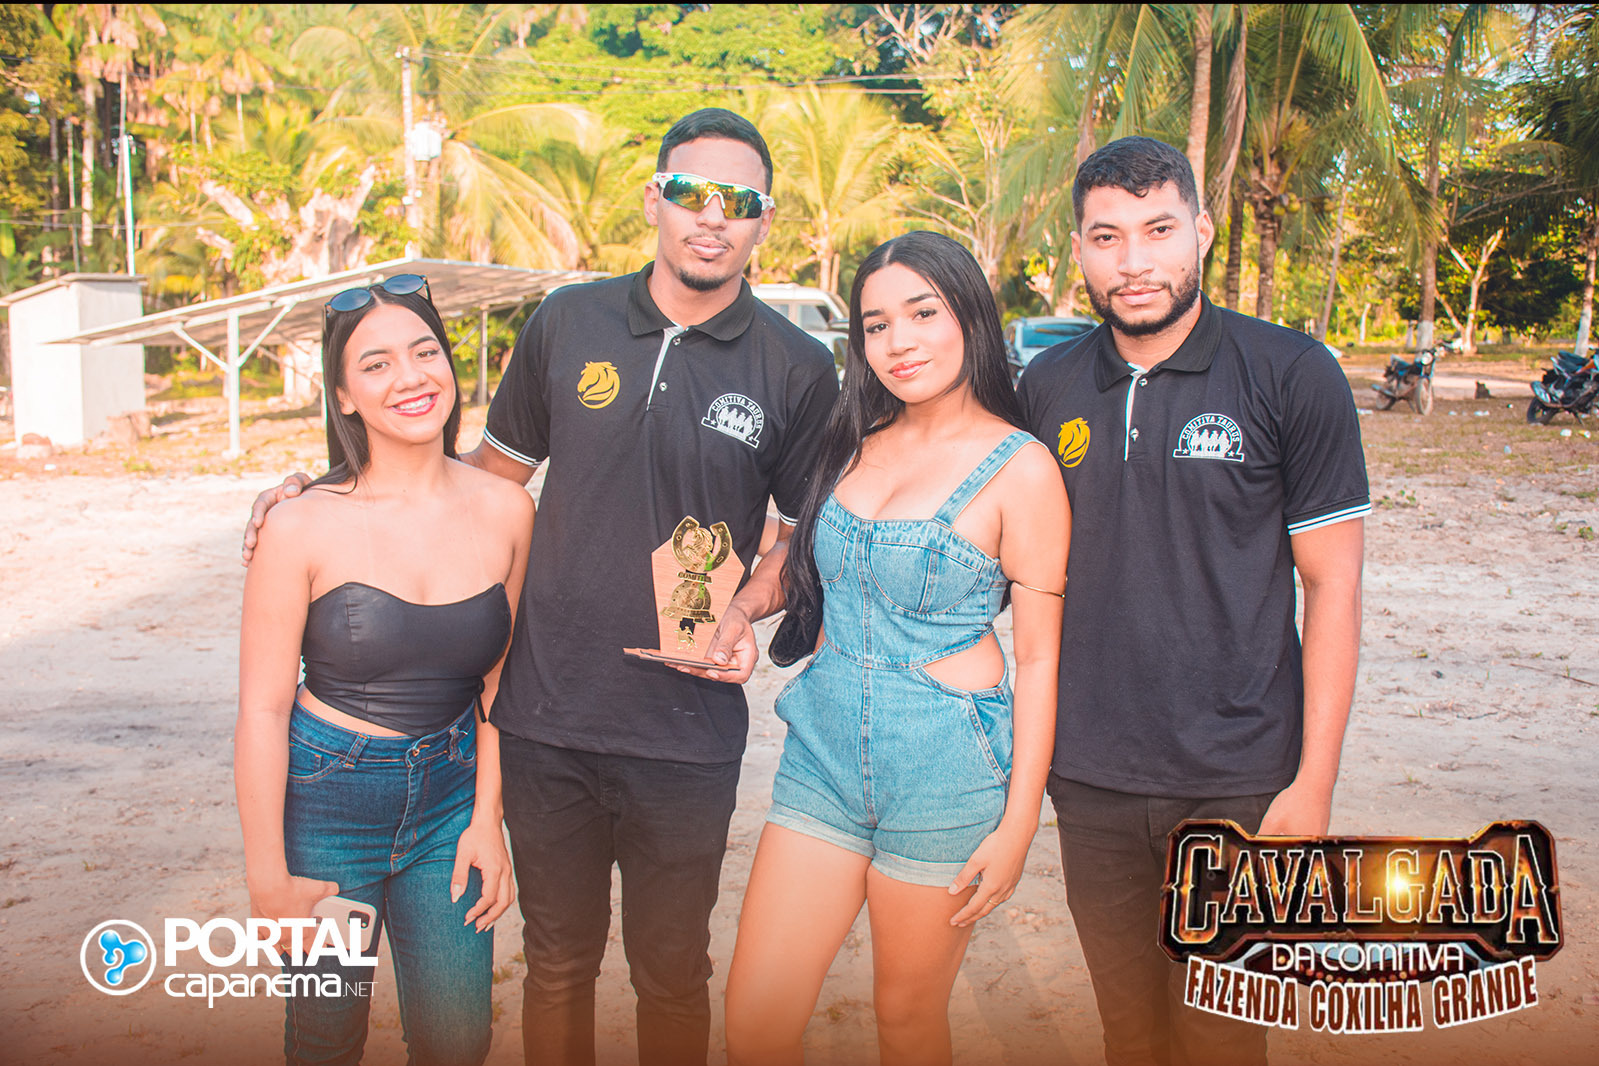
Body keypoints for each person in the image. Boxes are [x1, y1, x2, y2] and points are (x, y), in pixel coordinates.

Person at [243, 109, 839, 1066]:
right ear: (653, 199)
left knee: (672, 973)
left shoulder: (799, 366)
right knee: (557, 966)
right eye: (691, 192)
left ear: (765, 219)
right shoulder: (568, 322)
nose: (712, 217)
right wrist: (322, 492)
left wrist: (740, 609)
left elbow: (801, 533)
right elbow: (478, 482)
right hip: (543, 721)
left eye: (739, 201)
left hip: (685, 731)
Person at [1016, 136, 1368, 1066]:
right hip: (1089, 773)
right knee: (1128, 1033)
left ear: (1202, 232)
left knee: (1220, 1041)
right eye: (1106, 237)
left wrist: (1313, 784)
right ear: (1078, 249)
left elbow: (1331, 586)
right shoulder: (1045, 386)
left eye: (1158, 230)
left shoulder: (1291, 372)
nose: (1133, 262)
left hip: (1239, 777)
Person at [723, 231, 1070, 1066]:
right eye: (875, 325)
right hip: (822, 750)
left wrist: (1019, 822)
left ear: (969, 316)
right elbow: (797, 562)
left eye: (922, 313)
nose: (898, 342)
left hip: (944, 762)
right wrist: (738, 609)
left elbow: (1038, 660)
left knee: (906, 1022)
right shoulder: (852, 439)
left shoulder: (1021, 469)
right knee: (754, 1022)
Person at [237, 274, 526, 1066]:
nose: (410, 377)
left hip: (450, 802)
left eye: (425, 352)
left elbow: (498, 684)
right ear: (343, 396)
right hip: (327, 803)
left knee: (459, 1041)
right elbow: (262, 710)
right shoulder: (298, 525)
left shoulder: (507, 509)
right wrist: (268, 880)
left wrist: (487, 821)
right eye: (376, 364)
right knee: (327, 1038)